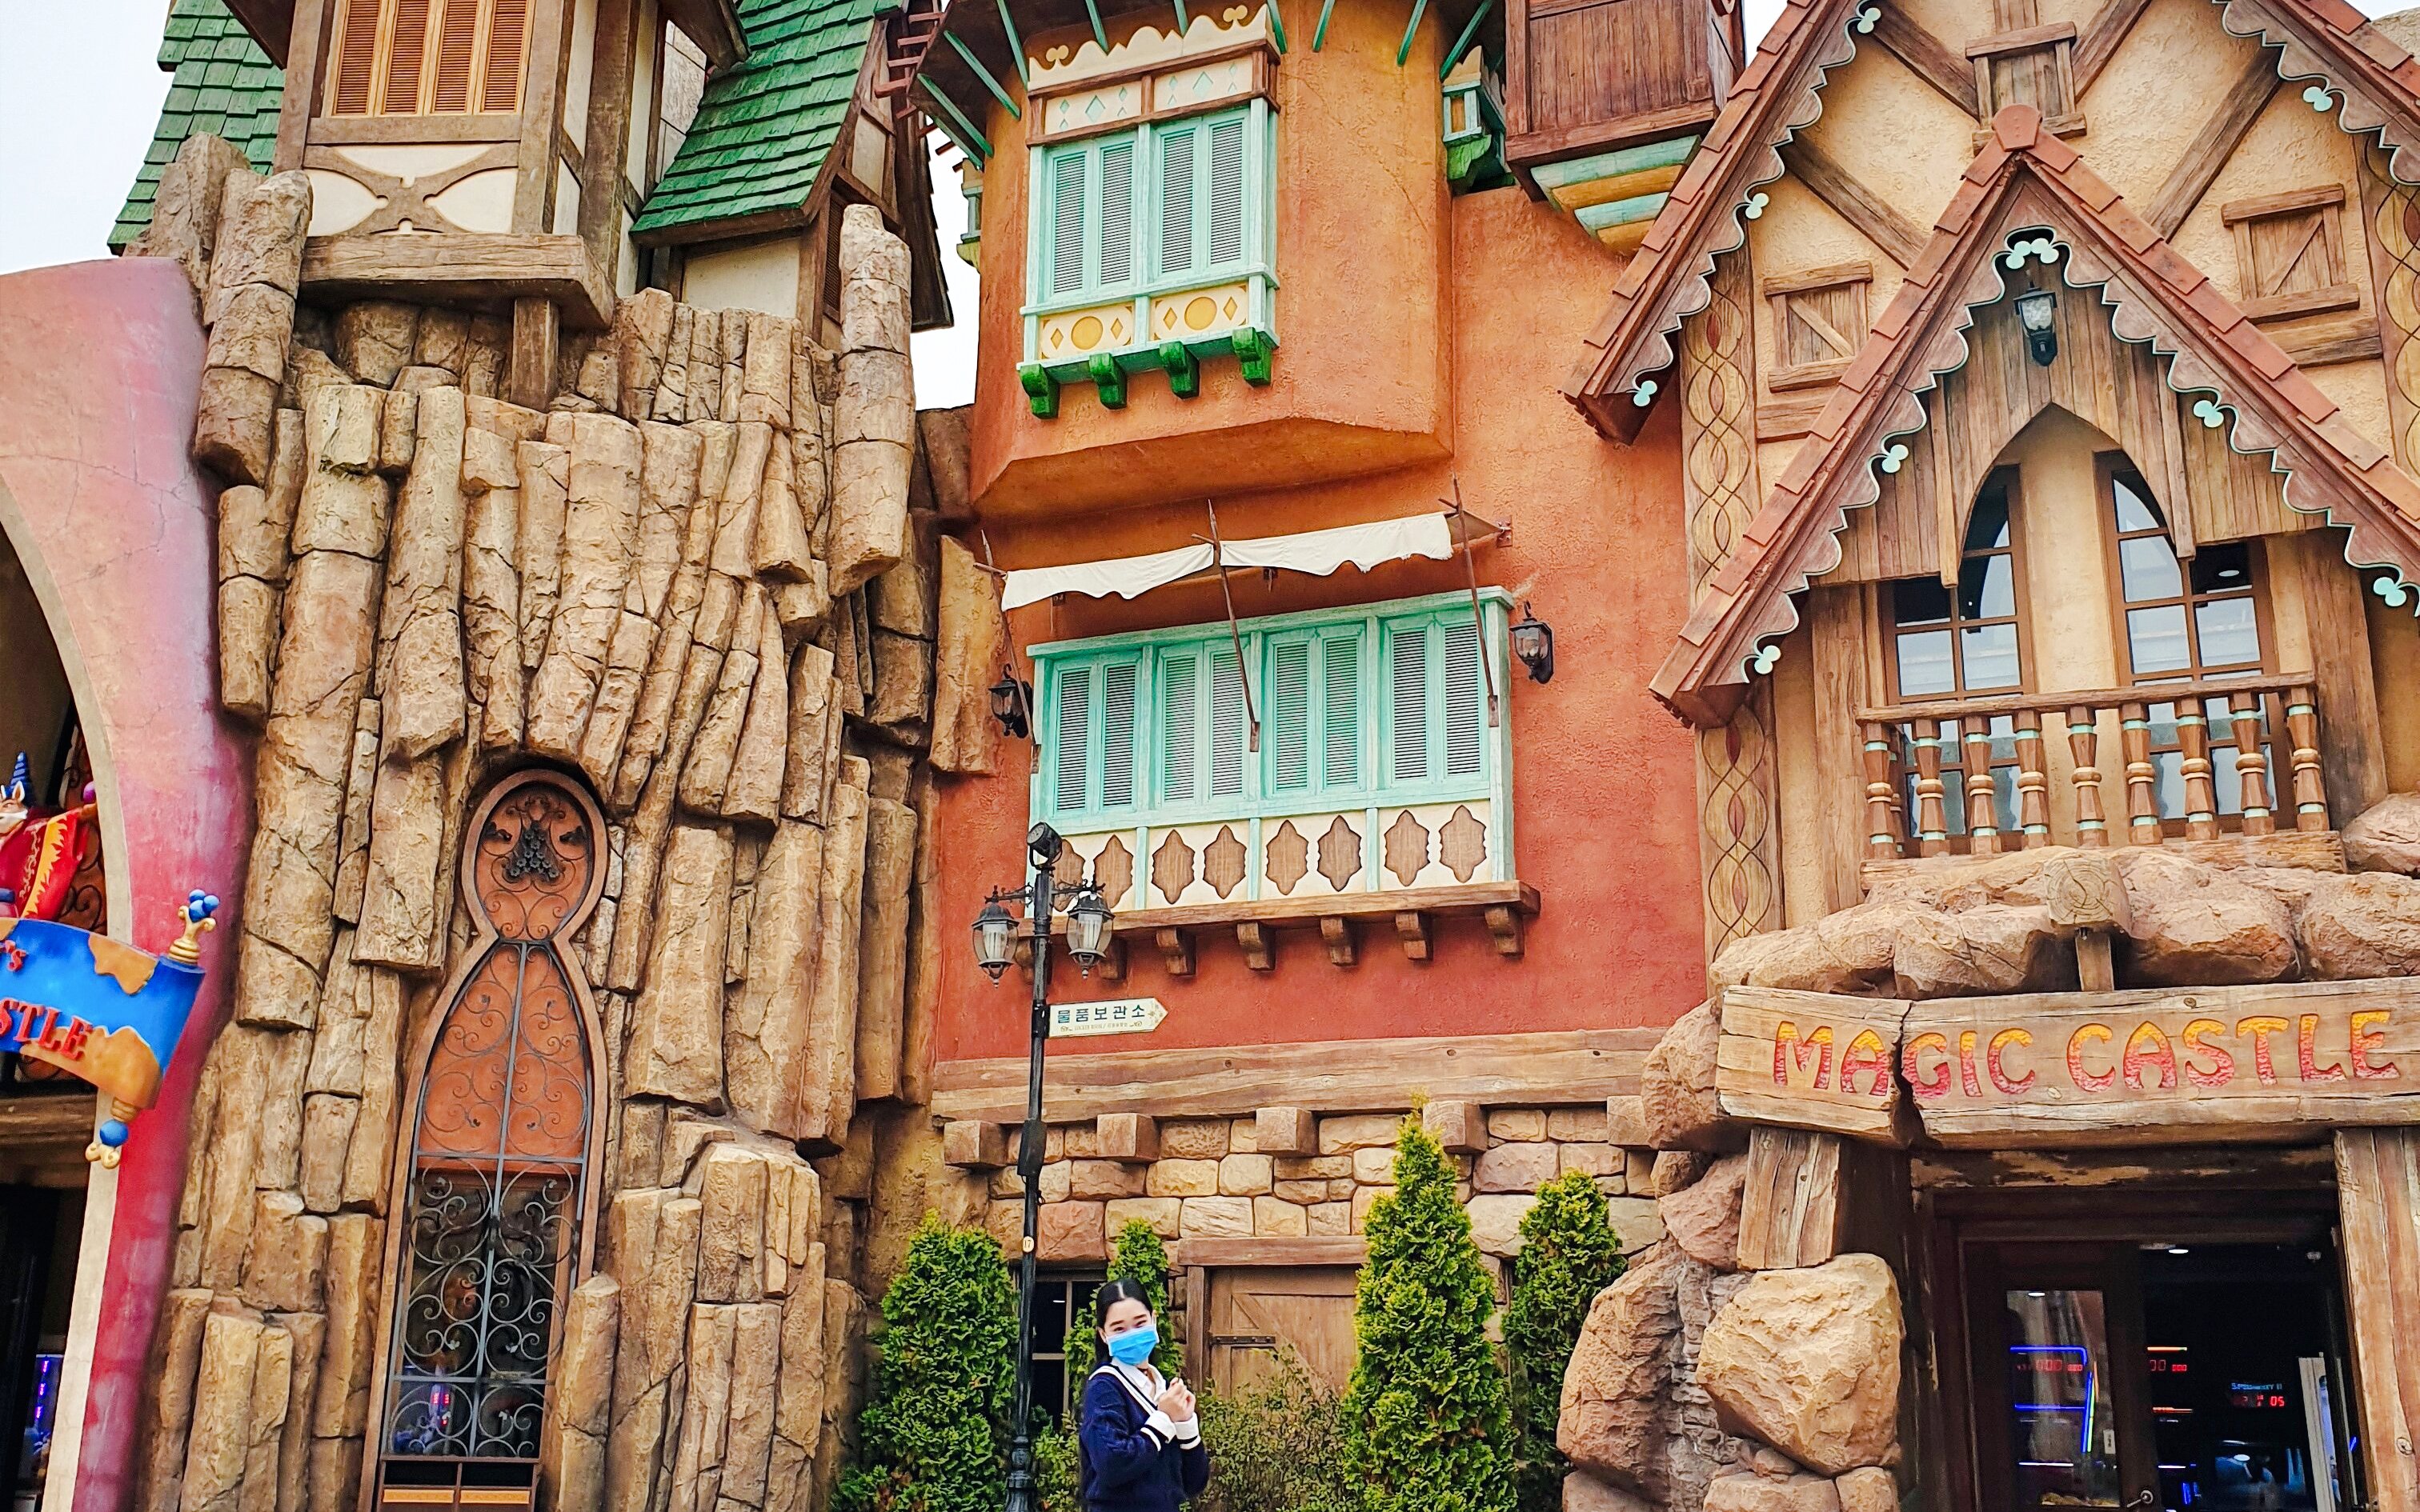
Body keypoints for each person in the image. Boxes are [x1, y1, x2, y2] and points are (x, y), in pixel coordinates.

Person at [1076, 1279, 1211, 1511]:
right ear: (1103, 1335)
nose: (1132, 1334)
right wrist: (1162, 1420)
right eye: (1119, 1329)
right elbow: (1112, 1464)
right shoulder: (1105, 1387)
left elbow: (1193, 1483)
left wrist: (1186, 1424)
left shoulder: (1163, 1387)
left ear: (1154, 1320)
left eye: (1140, 1324)